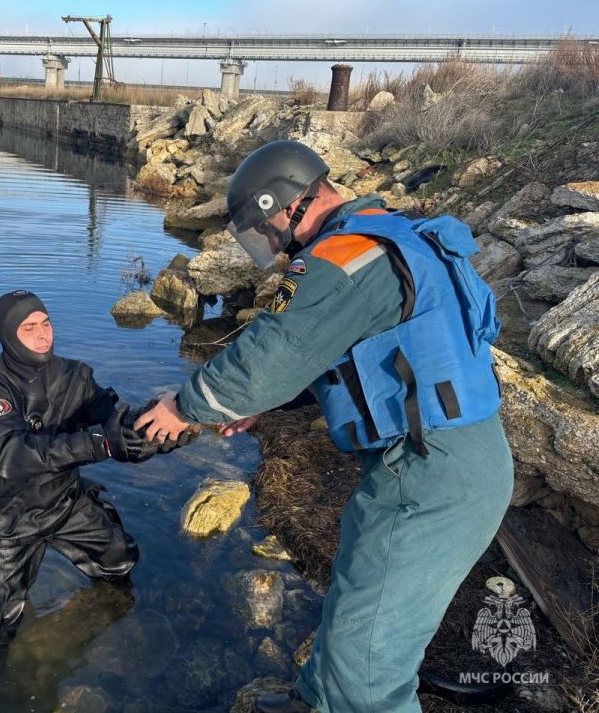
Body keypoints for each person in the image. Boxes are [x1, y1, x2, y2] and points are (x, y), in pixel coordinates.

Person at [135, 141, 514, 713]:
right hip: (456, 454)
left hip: (429, 471)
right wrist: (273, 404)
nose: (270, 246)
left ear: (288, 206)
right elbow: (373, 351)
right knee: (361, 592)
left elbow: (273, 351)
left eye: (263, 231)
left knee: (368, 669)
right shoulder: (392, 232)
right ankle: (315, 699)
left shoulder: (341, 258)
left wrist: (185, 407)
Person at [0, 290, 182, 645]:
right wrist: (98, 445)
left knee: (121, 559)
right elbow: (11, 454)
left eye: (46, 323)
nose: (43, 334)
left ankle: (116, 620)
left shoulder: (75, 376)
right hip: (5, 519)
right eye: (29, 328)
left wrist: (152, 434)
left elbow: (113, 421)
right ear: (7, 335)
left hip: (63, 502)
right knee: (0, 622)